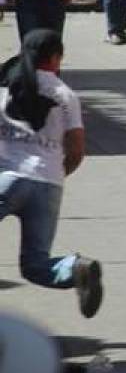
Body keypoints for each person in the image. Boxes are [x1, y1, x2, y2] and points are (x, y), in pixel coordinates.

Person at [0, 29, 101, 318]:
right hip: (48, 184)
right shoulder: (65, 95)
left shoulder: (6, 87)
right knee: (35, 264)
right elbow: (77, 149)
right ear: (56, 58)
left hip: (8, 178)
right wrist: (57, 174)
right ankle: (76, 268)